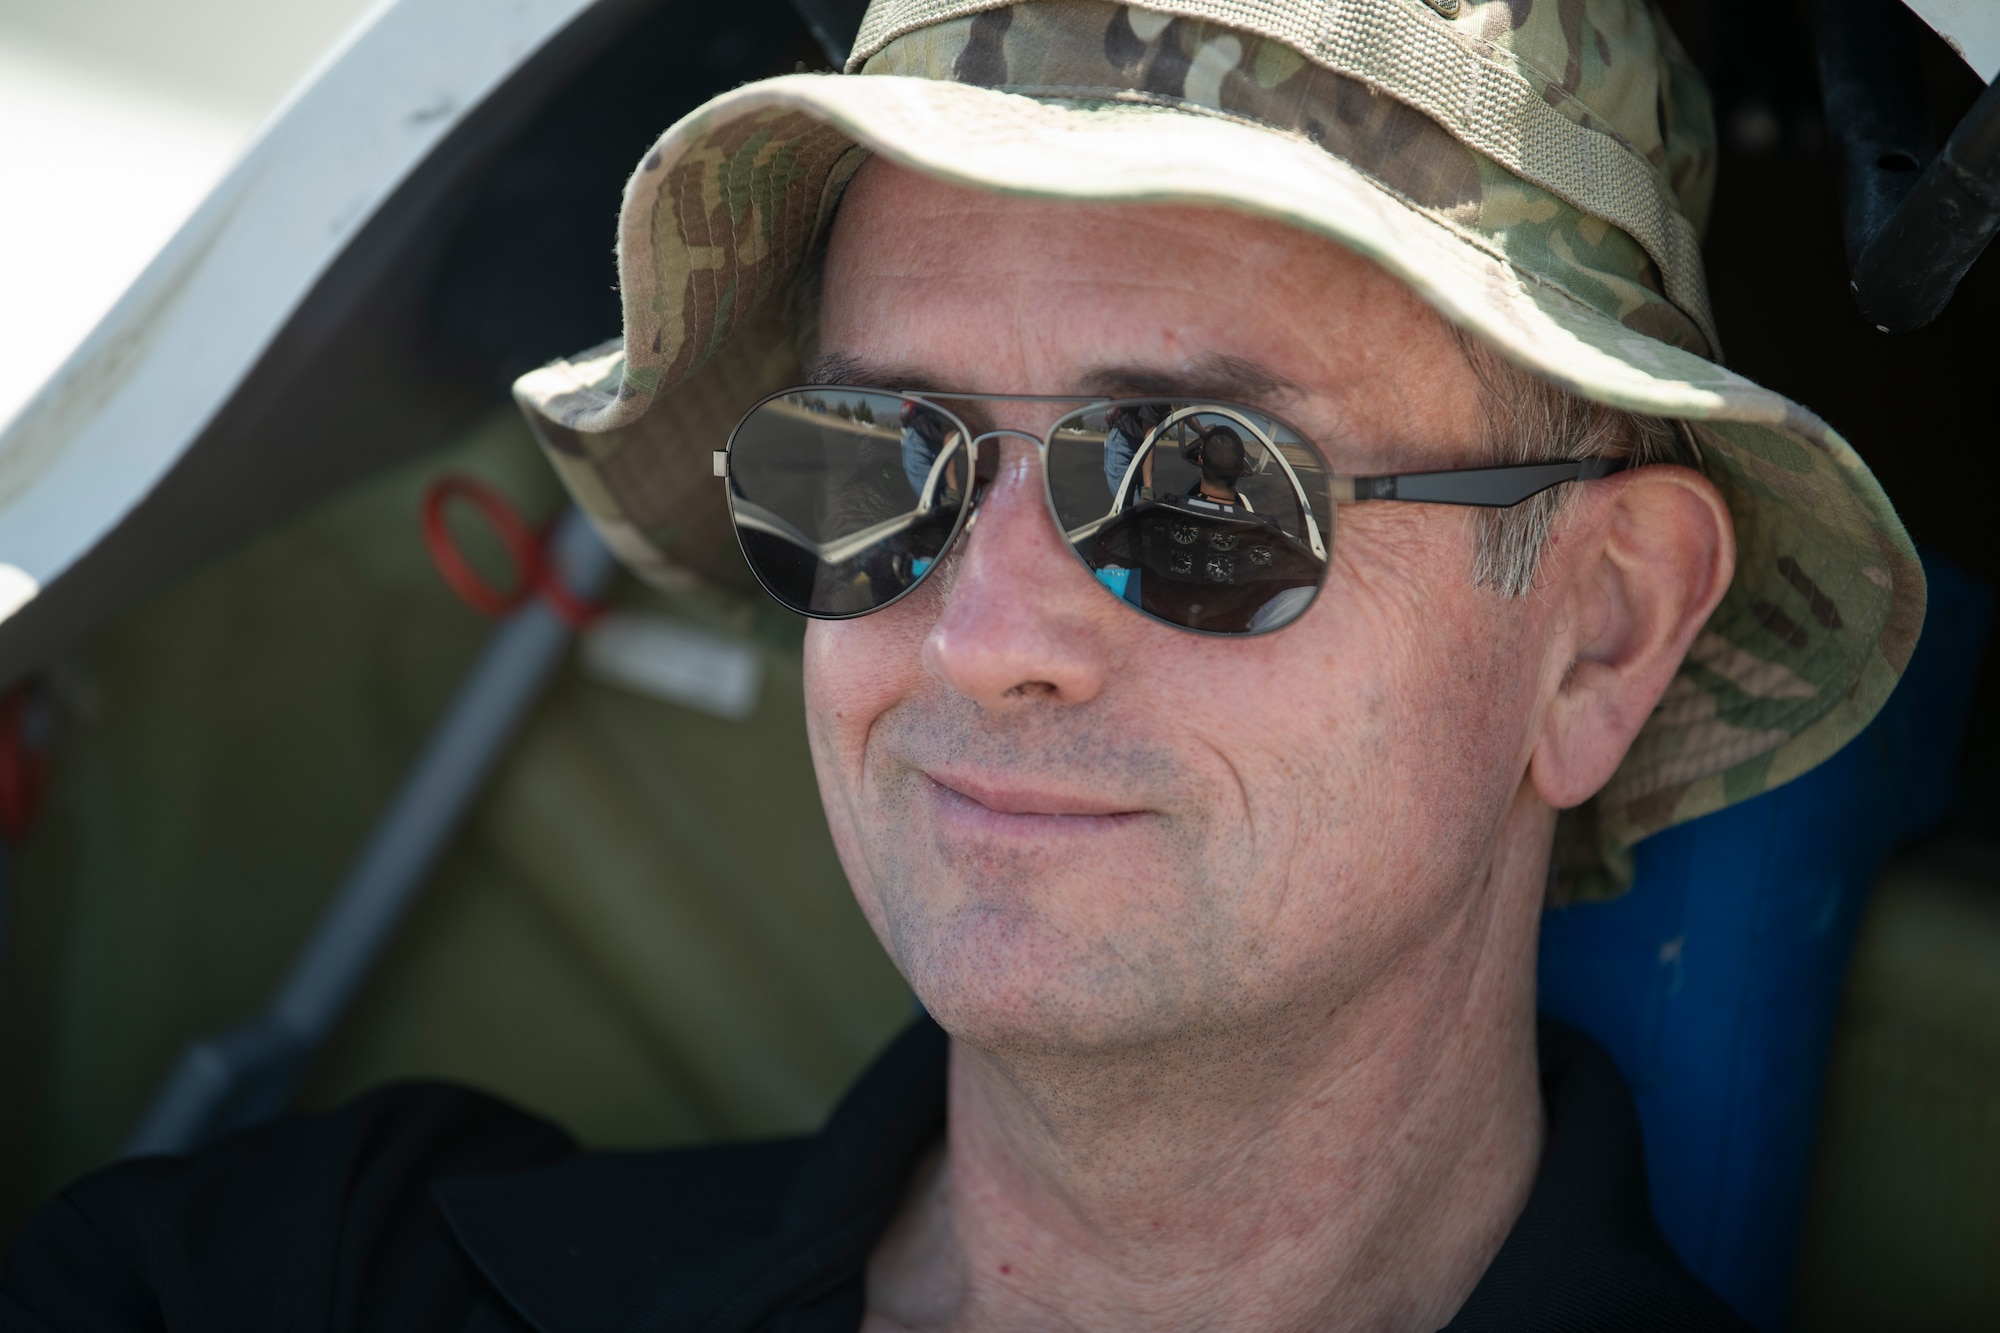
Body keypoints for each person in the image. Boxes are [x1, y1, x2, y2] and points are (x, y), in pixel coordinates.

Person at [1, 2, 1923, 1330]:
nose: (985, 634)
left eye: (1196, 488)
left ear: (1595, 634)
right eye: (877, 460)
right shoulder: (312, 1277)